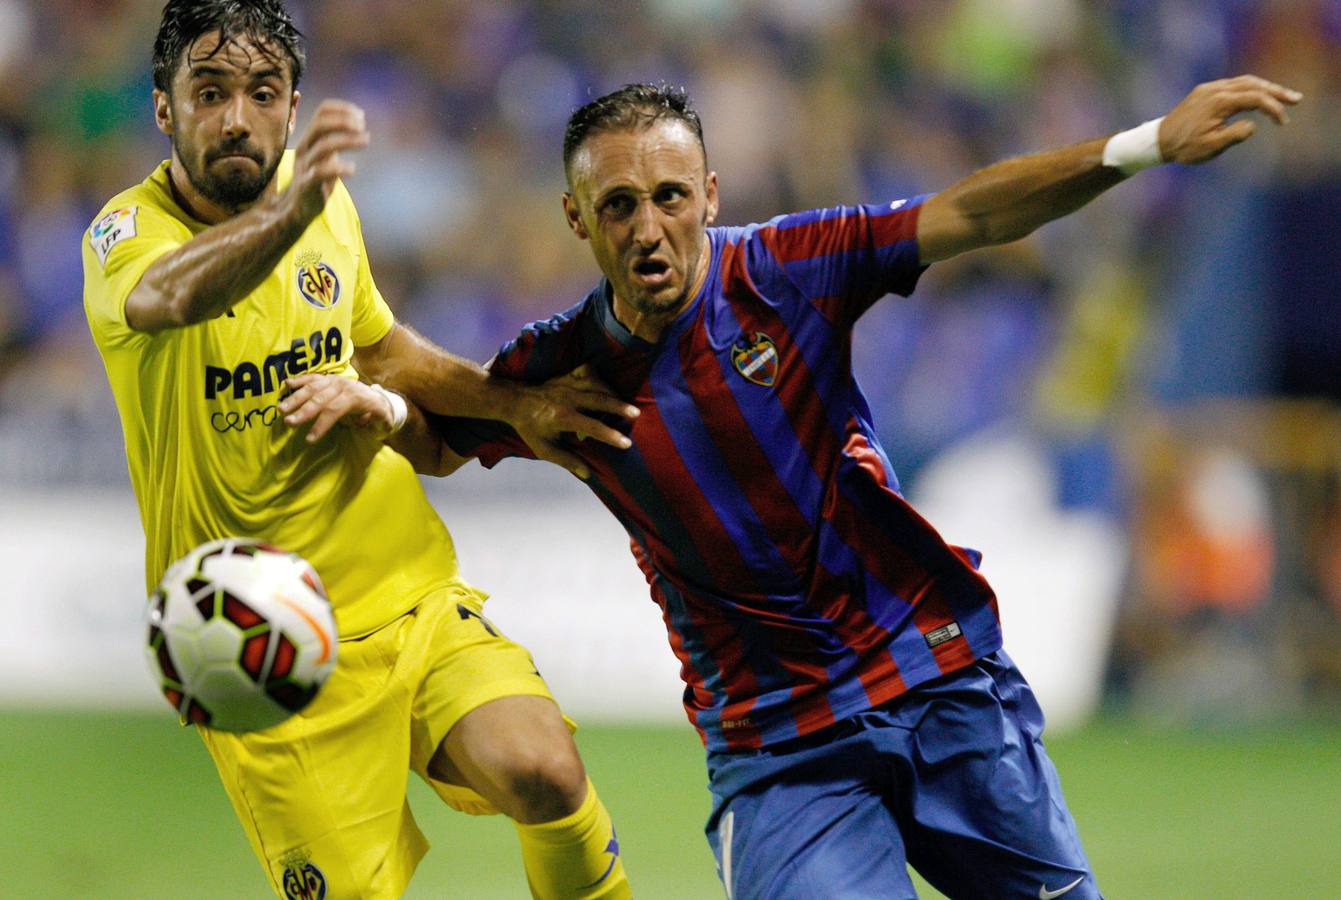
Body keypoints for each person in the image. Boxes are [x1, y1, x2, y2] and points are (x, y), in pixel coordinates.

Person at [406, 78, 1302, 899]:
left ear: (709, 195)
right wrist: (483, 403)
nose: (648, 228)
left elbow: (969, 214)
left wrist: (1142, 145)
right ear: (576, 218)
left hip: (932, 674)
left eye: (669, 197)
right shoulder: (556, 371)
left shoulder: (785, 269)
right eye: (618, 204)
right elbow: (432, 438)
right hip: (779, 745)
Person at [80, 2, 636, 898]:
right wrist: (288, 210)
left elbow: (382, 350)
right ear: (163, 108)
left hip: (401, 585)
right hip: (259, 640)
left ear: (292, 106)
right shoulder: (125, 234)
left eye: (263, 92)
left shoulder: (321, 202)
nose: (237, 118)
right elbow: (169, 298)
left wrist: (515, 403)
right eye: (209, 92)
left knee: (545, 773)